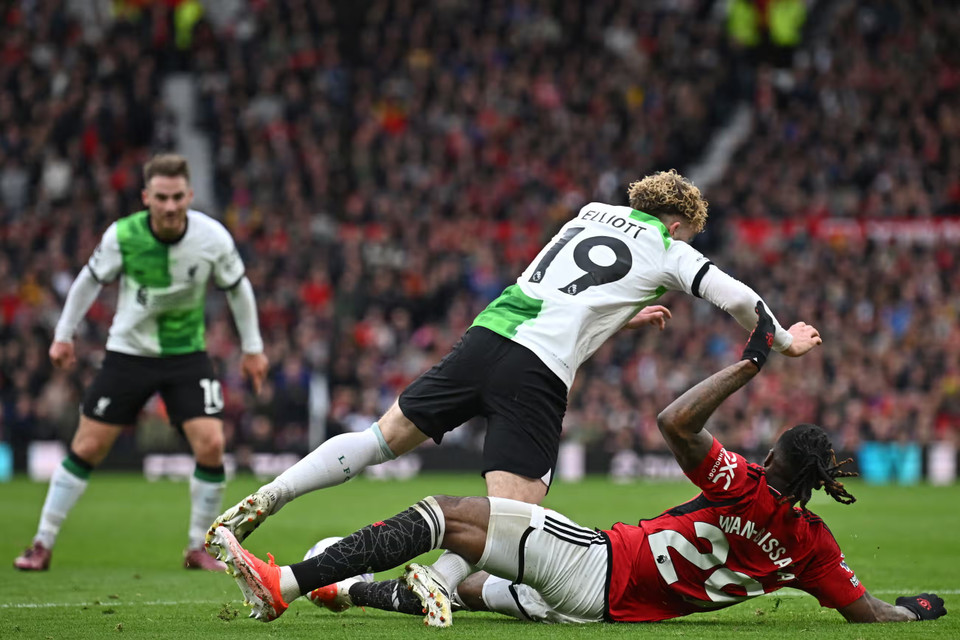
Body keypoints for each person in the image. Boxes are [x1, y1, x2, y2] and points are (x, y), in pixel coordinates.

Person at [208, 168, 821, 598]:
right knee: (518, 513)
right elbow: (737, 296)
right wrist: (786, 341)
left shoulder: (590, 214)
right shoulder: (671, 249)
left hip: (489, 335)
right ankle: (440, 577)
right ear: (682, 221)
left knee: (379, 437)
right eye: (688, 231)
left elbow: (576, 288)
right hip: (536, 370)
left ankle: (265, 498)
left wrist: (620, 314)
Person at [209, 303, 946, 627]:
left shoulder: (743, 486)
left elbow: (674, 422)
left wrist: (752, 360)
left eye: (768, 449)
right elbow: (867, 612)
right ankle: (348, 594)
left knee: (449, 515)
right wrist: (921, 609)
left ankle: (290, 583)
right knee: (467, 589)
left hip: (598, 567)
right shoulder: (813, 547)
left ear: (775, 462)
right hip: (604, 607)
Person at [14, 154, 268, 572]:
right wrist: (63, 335)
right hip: (129, 353)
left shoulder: (213, 238)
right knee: (89, 446)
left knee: (212, 444)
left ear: (189, 195)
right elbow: (88, 281)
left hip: (187, 354)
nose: (169, 206)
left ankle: (198, 547)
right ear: (146, 196)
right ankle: (41, 543)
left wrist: (253, 347)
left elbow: (238, 289)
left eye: (177, 197)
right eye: (161, 197)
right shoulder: (122, 235)